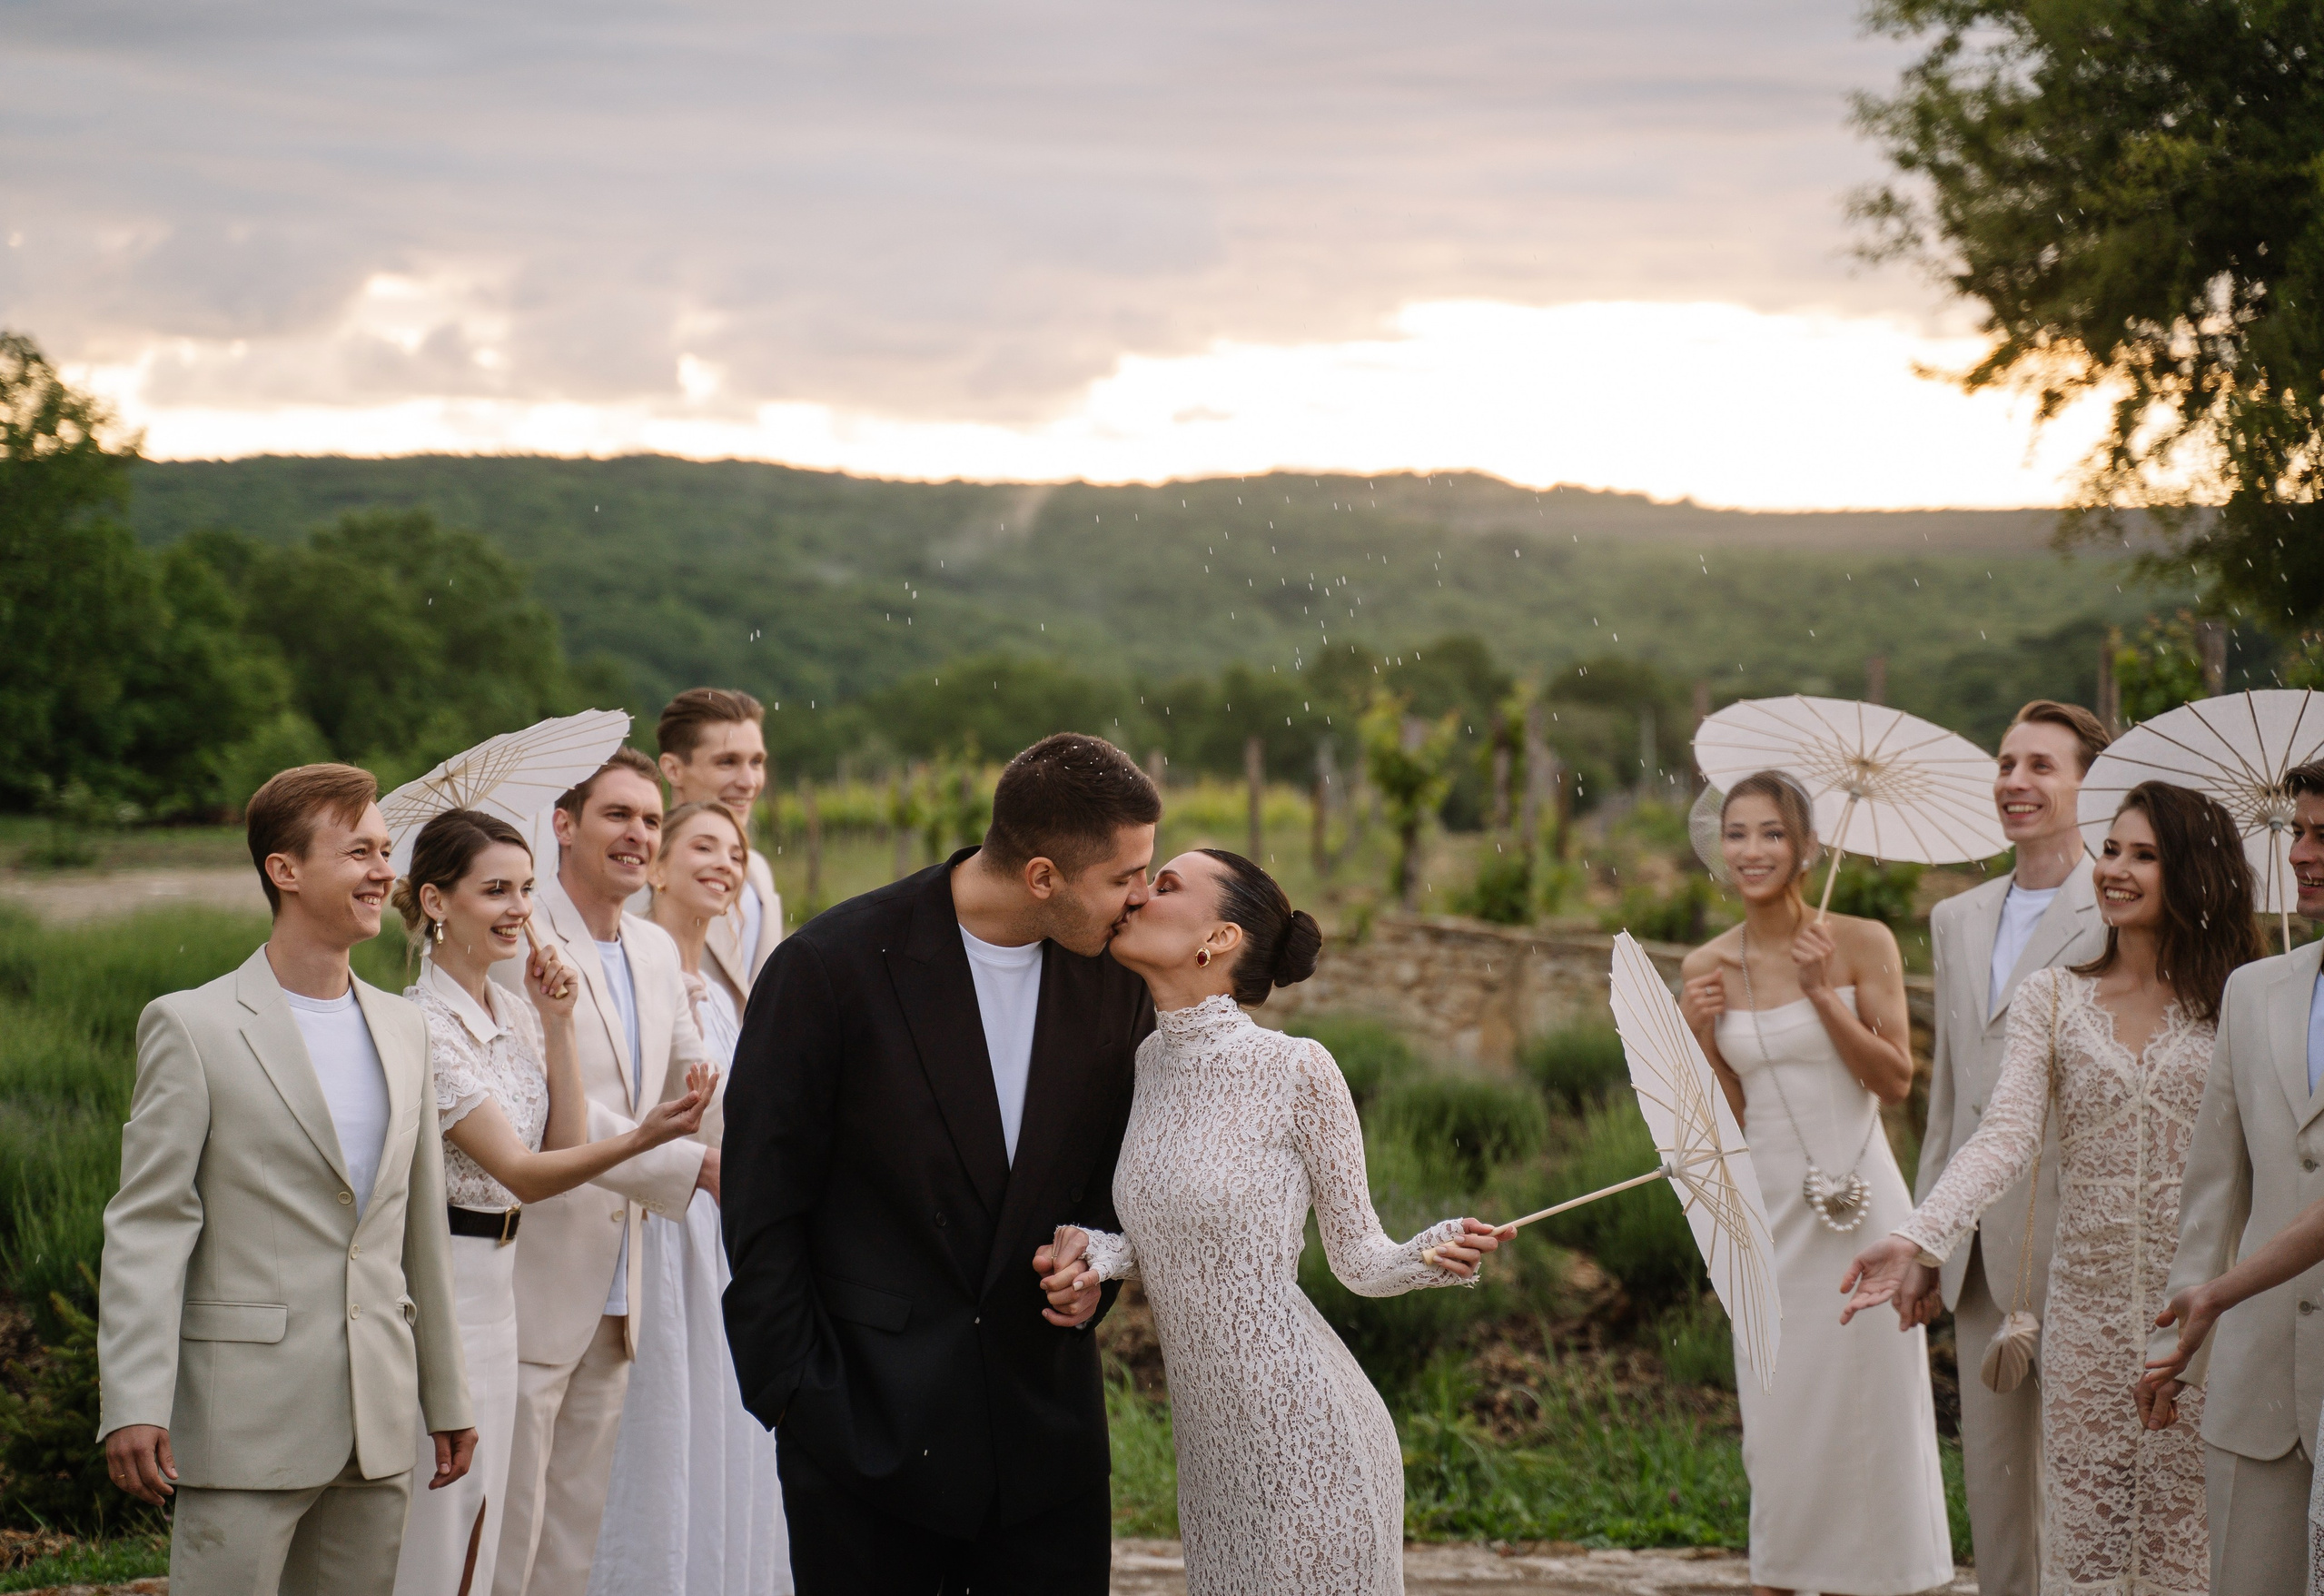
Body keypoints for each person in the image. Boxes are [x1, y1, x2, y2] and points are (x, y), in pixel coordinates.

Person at [721, 732, 1160, 1595]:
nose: (1141, 899)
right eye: (1124, 877)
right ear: (1042, 877)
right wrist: (799, 1400)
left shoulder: (1116, 982)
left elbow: (1113, 1178)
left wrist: (1091, 1276)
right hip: (863, 1433)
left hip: (1046, 1446)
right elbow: (761, 1204)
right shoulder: (828, 967)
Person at [1036, 848, 1507, 1596]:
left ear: (1217, 939)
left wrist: (1432, 1249)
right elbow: (1173, 1230)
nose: (1137, 895)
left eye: (1164, 886)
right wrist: (1095, 1253)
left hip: (1310, 1441)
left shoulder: (1296, 1068)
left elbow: (1360, 1259)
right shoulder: (1150, 1060)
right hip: (1212, 1455)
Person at [1846, 780, 2264, 1596]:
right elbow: (2003, 1136)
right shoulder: (2052, 996)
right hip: (2086, 1321)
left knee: (2190, 1554)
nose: (2114, 868)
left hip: (2209, 1313)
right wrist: (1917, 1233)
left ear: (2194, 872)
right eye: (2110, 848)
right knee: (2085, 1550)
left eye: (2144, 854)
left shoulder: (2243, 1001)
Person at [96, 764, 475, 1596]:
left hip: (374, 1424)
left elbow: (417, 1226)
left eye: (387, 849)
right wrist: (132, 1397)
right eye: (360, 851)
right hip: (244, 1416)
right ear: (285, 869)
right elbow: (150, 1223)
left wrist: (446, 1390)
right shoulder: (190, 1025)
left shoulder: (405, 1028)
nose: (386, 871)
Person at [388, 808, 715, 1596]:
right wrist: (646, 1139)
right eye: (495, 889)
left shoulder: (513, 1016)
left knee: (498, 1524)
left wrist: (558, 1023)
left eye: (527, 889)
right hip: (446, 1288)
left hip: (506, 1293)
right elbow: (526, 1171)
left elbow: (565, 1142)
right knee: (443, 1528)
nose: (518, 910)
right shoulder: (421, 1023)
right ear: (435, 901)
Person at [1677, 770, 1952, 1596]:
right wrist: (1701, 1037)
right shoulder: (1705, 961)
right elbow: (1727, 1110)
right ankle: (1783, 1574)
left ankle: (1885, 1577)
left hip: (1860, 1202)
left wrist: (1818, 994)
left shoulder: (1860, 941)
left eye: (1770, 833)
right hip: (1764, 1210)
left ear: (1805, 848)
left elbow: (1895, 1078)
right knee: (1777, 1413)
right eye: (1736, 833)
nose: (1751, 850)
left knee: (1872, 1414)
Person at [490, 748, 723, 1596]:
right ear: (563, 824)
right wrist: (695, 1167)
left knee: (572, 1537)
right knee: (503, 1529)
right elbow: (553, 1110)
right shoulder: (515, 934)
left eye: (653, 819)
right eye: (617, 814)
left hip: (625, 1281)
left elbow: (689, 1087)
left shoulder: (658, 951)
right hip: (530, 1270)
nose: (638, 835)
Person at [1910, 699, 2111, 1596]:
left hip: (2088, 1239)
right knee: (1994, 1493)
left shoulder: (2121, 905)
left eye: (2041, 765)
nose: (2016, 782)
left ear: (2087, 784)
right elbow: (1948, 1096)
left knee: (2086, 1485)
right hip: (1981, 1252)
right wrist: (1927, 1236)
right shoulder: (1957, 918)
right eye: (2005, 763)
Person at [590, 801, 791, 1593]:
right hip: (669, 1221)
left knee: (727, 1422)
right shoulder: (645, 978)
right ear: (660, 867)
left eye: (735, 851)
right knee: (669, 1417)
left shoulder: (732, 983)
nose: (725, 861)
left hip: (725, 1230)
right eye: (702, 846)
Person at [2140, 761, 2324, 1596]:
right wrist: (2176, 1341)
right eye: (2297, 831)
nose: (2301, 854)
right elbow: (2214, 1189)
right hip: (2257, 1374)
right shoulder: (2252, 991)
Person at [657, 687, 784, 996]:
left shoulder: (759, 872)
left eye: (756, 762)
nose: (748, 782)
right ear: (673, 769)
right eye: (727, 762)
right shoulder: (641, 874)